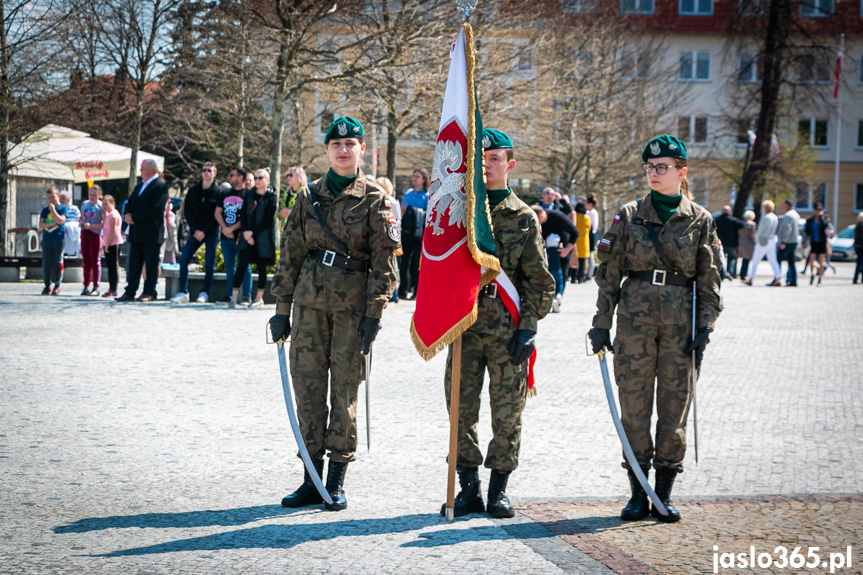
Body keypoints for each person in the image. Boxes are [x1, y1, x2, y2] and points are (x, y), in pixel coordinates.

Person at [588, 135, 722, 523]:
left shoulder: (700, 219)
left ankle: (663, 493)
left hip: (680, 328)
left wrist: (705, 327)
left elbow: (709, 280)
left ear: (681, 173)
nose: (654, 173)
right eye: (649, 167)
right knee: (633, 409)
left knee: (673, 411)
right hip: (634, 327)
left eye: (662, 167)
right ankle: (637, 493)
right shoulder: (629, 215)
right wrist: (601, 324)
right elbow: (609, 275)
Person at [268, 116, 399, 511]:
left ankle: (337, 480)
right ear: (326, 150)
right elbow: (289, 254)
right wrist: (281, 309)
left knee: (343, 393)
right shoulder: (308, 197)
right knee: (307, 393)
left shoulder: (377, 199)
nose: (344, 150)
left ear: (361, 149)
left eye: (351, 144)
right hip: (309, 309)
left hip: (352, 311)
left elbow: (385, 265)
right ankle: (310, 478)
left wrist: (375, 315)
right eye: (336, 145)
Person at [443, 129, 554, 519]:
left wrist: (529, 327)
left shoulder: (523, 216)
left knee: (507, 412)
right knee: (460, 410)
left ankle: (498, 490)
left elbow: (539, 280)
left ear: (510, 164)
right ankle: (468, 489)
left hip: (507, 329)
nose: (486, 164)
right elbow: (440, 268)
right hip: (464, 326)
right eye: (481, 157)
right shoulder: (460, 212)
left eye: (494, 158)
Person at [116, 159, 170, 302]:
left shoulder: (160, 186)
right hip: (136, 232)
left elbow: (156, 208)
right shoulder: (140, 185)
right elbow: (130, 202)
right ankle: (130, 291)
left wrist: (135, 217)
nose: (140, 171)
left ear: (151, 169)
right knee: (134, 263)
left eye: (142, 168)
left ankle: (149, 292)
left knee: (151, 265)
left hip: (151, 232)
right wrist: (128, 215)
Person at [170, 162, 221, 304]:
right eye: (204, 170)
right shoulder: (193, 190)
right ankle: (183, 291)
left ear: (214, 173)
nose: (206, 173)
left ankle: (205, 292)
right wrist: (196, 230)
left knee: (209, 262)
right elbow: (188, 212)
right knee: (184, 258)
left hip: (210, 233)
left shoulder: (218, 192)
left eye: (209, 170)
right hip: (195, 232)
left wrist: (204, 232)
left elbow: (216, 216)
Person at [230, 169, 277, 309]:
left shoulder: (271, 197)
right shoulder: (249, 195)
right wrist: (246, 233)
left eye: (260, 177)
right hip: (247, 236)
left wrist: (252, 233)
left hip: (263, 237)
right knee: (242, 265)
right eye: (255, 177)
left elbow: (268, 220)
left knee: (262, 267)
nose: (257, 180)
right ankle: (233, 298)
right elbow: (243, 215)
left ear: (267, 180)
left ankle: (258, 298)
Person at [215, 166, 252, 305]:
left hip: (240, 237)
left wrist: (232, 229)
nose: (229, 178)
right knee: (229, 267)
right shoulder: (224, 193)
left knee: (245, 265)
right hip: (225, 236)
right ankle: (231, 295)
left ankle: (247, 296)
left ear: (240, 177)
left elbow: (247, 216)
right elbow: (217, 212)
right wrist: (225, 228)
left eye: (232, 175)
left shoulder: (248, 194)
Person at [531, 205, 577, 312]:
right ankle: (549, 300)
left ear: (541, 215)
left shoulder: (558, 216)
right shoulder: (536, 223)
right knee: (549, 274)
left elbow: (575, 232)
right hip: (548, 250)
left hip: (564, 247)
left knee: (563, 273)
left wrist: (567, 250)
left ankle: (559, 298)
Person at [398, 167, 429, 300]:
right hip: (406, 232)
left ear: (423, 179)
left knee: (417, 263)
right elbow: (401, 213)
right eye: (413, 176)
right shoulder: (408, 194)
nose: (414, 178)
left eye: (417, 176)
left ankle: (417, 291)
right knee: (404, 262)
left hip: (420, 234)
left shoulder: (427, 196)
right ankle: (403, 291)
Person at [376, 176, 403, 303]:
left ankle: (394, 292)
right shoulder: (373, 200)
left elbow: (397, 221)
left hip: (389, 237)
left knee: (392, 265)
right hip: (376, 237)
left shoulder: (393, 202)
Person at [743, 200, 781, 286]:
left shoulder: (765, 217)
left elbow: (760, 230)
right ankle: (778, 278)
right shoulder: (775, 217)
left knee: (755, 260)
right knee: (773, 261)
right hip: (772, 240)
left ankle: (751, 278)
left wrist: (756, 239)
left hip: (763, 241)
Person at [38, 187, 67, 295]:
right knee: (47, 263)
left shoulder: (63, 208)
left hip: (58, 238)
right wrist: (52, 224)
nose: (51, 200)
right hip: (47, 239)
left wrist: (53, 210)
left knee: (58, 262)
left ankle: (57, 285)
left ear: (58, 196)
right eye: (49, 198)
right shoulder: (45, 210)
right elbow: (41, 224)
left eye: (53, 197)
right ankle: (47, 285)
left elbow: (61, 220)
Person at [79, 185, 104, 296]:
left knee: (95, 261)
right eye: (90, 194)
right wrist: (81, 222)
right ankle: (86, 285)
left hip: (95, 234)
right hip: (85, 233)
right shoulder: (85, 204)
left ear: (99, 195)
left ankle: (96, 286)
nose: (92, 197)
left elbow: (104, 224)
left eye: (94, 195)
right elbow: (81, 217)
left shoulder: (101, 206)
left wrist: (92, 225)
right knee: (86, 260)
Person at [803, 202, 832, 287]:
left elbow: (826, 228)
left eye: (821, 209)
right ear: (814, 210)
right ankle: (812, 274)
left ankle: (820, 278)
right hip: (813, 242)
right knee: (811, 261)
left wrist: (822, 218)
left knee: (821, 261)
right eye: (818, 209)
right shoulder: (810, 220)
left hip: (822, 242)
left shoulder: (824, 219)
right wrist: (804, 242)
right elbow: (806, 231)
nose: (819, 211)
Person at [100, 194, 124, 297]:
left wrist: (107, 244)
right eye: (103, 204)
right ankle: (111, 287)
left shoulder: (114, 215)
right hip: (109, 243)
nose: (104, 206)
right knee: (110, 267)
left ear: (112, 203)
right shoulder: (109, 214)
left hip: (114, 243)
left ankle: (113, 288)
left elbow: (113, 231)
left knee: (113, 266)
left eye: (106, 204)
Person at [714, 206, 743, 279]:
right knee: (731, 258)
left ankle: (721, 274)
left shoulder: (717, 219)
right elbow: (741, 225)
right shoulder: (733, 220)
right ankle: (729, 272)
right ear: (729, 212)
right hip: (731, 243)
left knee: (720, 259)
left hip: (720, 242)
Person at [776, 199, 800, 287]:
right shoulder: (795, 214)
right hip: (793, 241)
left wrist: (783, 241)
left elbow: (787, 229)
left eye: (783, 204)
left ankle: (777, 279)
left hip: (787, 242)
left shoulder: (788, 215)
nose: (781, 206)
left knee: (778, 260)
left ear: (787, 205)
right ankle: (793, 280)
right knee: (791, 262)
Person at [59, 191, 81, 257]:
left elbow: (78, 220)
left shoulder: (74, 209)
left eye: (63, 198)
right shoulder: (58, 209)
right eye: (60, 198)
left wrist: (70, 228)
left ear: (68, 200)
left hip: (73, 233)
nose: (61, 200)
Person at [575, 201, 592, 283]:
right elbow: (588, 229)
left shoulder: (574, 216)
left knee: (575, 259)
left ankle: (573, 277)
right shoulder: (587, 218)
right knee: (582, 261)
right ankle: (580, 277)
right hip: (584, 241)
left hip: (575, 240)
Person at [737, 210, 757, 281]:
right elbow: (752, 235)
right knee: (746, 259)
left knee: (742, 258)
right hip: (748, 242)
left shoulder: (742, 223)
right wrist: (755, 242)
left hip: (741, 242)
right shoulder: (752, 224)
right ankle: (743, 274)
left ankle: (741, 273)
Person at [585, 193, 600, 280]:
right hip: (586, 234)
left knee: (590, 254)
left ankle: (590, 273)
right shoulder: (587, 212)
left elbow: (595, 226)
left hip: (591, 234)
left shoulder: (594, 213)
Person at [163, 198, 179, 265]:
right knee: (170, 264)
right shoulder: (170, 214)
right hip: (168, 243)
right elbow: (172, 228)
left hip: (166, 243)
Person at [853, 213, 863, 284]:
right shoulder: (861, 226)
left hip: (857, 246)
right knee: (860, 263)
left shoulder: (856, 226)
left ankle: (856, 278)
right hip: (861, 246)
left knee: (859, 263)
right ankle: (858, 278)